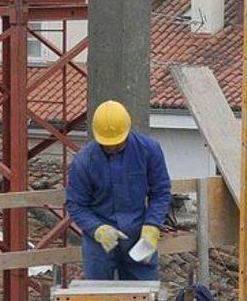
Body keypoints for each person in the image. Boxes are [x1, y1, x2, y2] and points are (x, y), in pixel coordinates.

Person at [65, 100, 172, 280]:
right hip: (99, 242)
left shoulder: (149, 150)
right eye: (107, 145)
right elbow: (75, 205)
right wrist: (97, 229)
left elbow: (161, 192)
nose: (112, 148)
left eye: (117, 144)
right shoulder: (84, 161)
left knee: (142, 296)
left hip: (139, 236)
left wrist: (152, 225)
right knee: (98, 298)